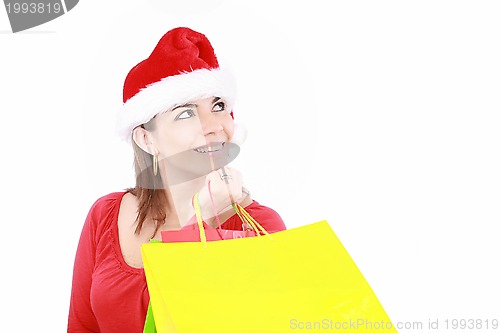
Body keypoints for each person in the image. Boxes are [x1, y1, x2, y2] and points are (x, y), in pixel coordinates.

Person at [67, 27, 286, 333]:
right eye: (185, 113)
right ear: (146, 139)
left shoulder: (260, 227)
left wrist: (203, 223)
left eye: (219, 106)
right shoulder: (104, 215)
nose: (213, 127)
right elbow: (82, 326)